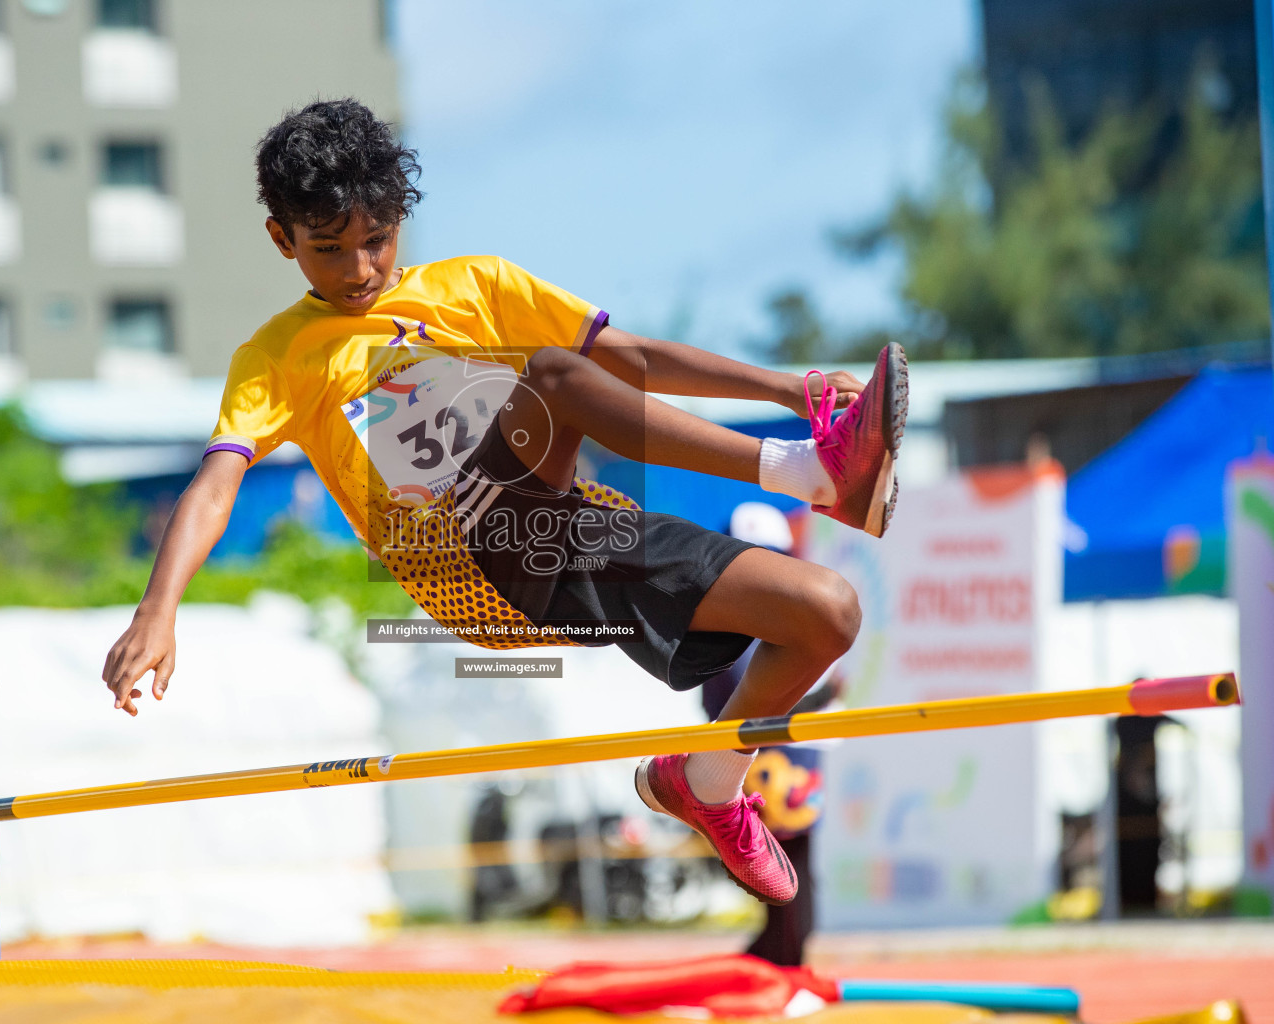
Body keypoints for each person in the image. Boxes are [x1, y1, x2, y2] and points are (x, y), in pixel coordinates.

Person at [101, 99, 908, 908]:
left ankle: (705, 782)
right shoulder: (276, 357)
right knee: (555, 375)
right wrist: (157, 609)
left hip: (576, 531)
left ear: (400, 222)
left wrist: (784, 386)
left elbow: (632, 357)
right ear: (283, 240)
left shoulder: (475, 285)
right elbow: (216, 483)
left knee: (825, 612)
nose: (359, 270)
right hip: (462, 567)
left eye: (375, 240)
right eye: (329, 250)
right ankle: (817, 478)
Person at [701, 502, 836, 965]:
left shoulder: (754, 623)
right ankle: (777, 962)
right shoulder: (737, 628)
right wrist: (821, 700)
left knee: (788, 875)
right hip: (762, 764)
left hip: (781, 764)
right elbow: (744, 704)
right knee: (783, 874)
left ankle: (776, 960)